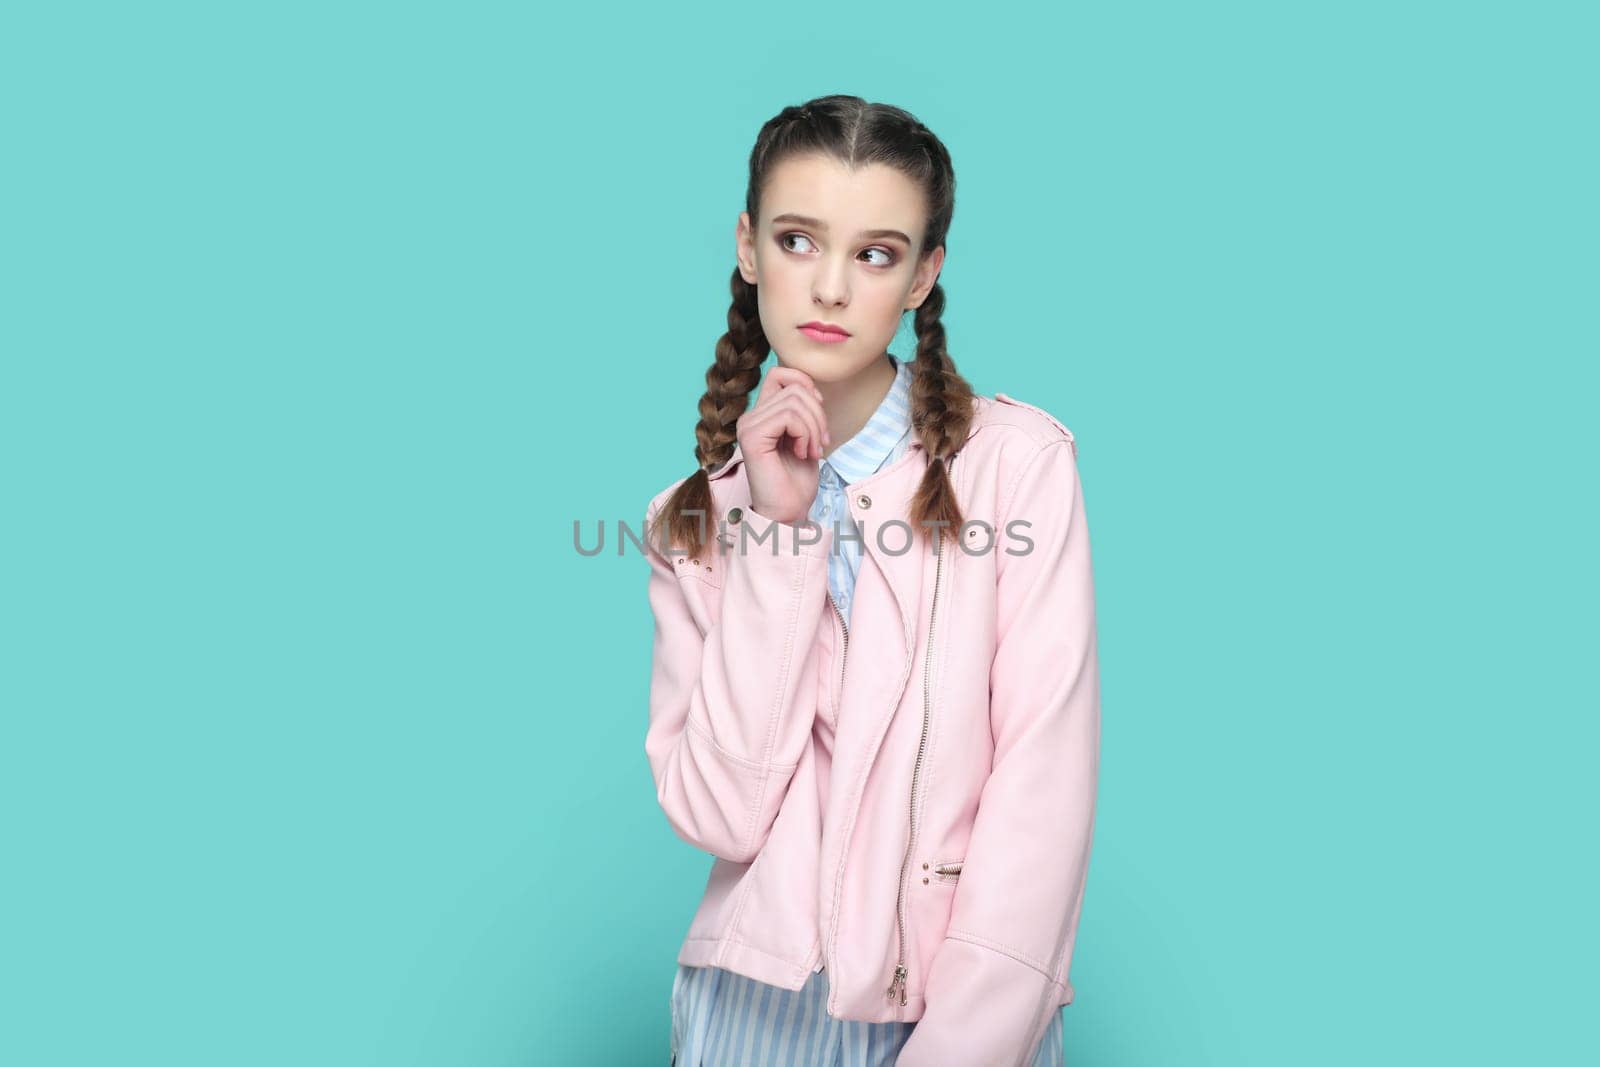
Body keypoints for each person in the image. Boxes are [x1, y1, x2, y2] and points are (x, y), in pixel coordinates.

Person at [642, 94, 1101, 1067]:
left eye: (877, 253)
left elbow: (1041, 791)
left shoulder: (1016, 466)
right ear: (748, 246)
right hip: (750, 1016)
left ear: (924, 275)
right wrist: (777, 529)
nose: (832, 287)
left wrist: (963, 1046)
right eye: (799, 239)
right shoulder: (693, 517)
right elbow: (718, 814)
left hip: (956, 1009)